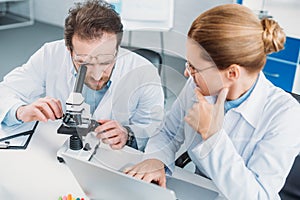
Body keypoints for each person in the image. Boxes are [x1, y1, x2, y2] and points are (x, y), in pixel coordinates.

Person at [124, 4, 300, 199]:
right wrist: (156, 159)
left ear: (232, 73)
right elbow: (168, 132)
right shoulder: (197, 85)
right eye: (188, 64)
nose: (187, 73)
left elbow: (259, 196)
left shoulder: (285, 116)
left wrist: (214, 137)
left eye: (195, 68)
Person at [0, 0, 164, 151]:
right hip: (57, 153)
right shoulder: (50, 54)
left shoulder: (144, 73)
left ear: (117, 48)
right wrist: (19, 112)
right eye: (84, 63)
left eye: (106, 61)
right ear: (69, 50)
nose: (97, 75)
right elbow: (5, 91)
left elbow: (156, 132)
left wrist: (129, 135)